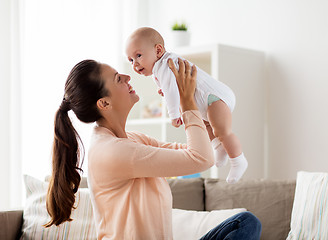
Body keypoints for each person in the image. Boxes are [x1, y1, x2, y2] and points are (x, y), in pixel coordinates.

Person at [45, 58, 262, 239]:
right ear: (104, 104)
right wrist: (187, 104)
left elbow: (192, 151)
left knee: (244, 224)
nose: (128, 77)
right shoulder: (111, 151)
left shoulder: (131, 140)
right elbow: (200, 158)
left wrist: (206, 113)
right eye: (118, 79)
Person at [125, 27, 248, 184]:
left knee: (221, 131)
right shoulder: (160, 68)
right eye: (130, 60)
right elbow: (171, 88)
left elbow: (171, 91)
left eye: (138, 56)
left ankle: (238, 160)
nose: (135, 64)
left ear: (158, 50)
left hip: (214, 97)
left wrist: (174, 114)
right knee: (207, 127)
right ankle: (220, 148)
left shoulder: (164, 65)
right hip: (206, 103)